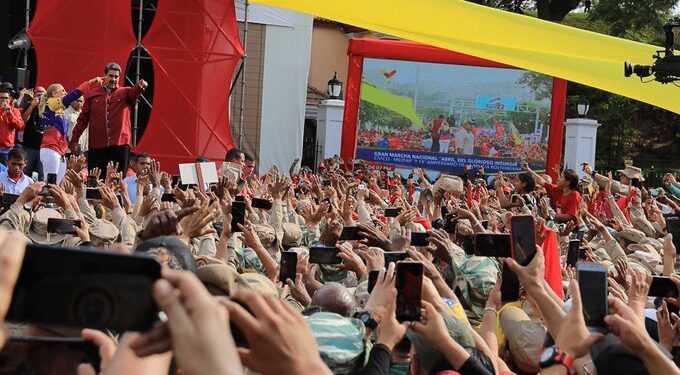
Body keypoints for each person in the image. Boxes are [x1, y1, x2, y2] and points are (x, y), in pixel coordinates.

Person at [70, 62, 148, 173]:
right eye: (111, 76)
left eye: (116, 77)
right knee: (95, 179)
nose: (113, 79)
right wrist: (74, 140)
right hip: (97, 145)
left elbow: (134, 93)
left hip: (120, 144)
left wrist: (140, 87)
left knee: (118, 179)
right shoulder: (92, 95)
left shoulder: (125, 92)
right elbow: (82, 120)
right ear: (105, 76)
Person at [39, 79, 97, 183]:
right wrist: (90, 83)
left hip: (60, 152)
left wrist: (70, 144)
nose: (65, 93)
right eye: (63, 90)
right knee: (50, 184)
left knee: (59, 185)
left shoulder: (59, 110)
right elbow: (72, 96)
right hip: (51, 149)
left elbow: (62, 133)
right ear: (54, 94)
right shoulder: (51, 103)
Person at [18, 86, 46, 180]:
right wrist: (31, 106)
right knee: (25, 173)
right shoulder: (30, 105)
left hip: (43, 147)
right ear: (34, 96)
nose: (40, 98)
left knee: (42, 175)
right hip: (29, 146)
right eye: (38, 96)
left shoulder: (48, 108)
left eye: (42, 96)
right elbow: (23, 120)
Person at [0, 86, 24, 166]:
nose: (4, 100)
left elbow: (19, 126)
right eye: (1, 97)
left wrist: (9, 113)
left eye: (6, 98)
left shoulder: (14, 111)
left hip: (6, 149)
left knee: (5, 174)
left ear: (9, 99)